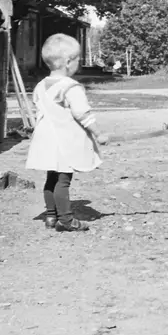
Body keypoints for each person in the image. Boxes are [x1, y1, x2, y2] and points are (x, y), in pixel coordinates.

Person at [24, 33, 110, 231]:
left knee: (51, 178)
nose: (79, 63)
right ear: (68, 62)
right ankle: (66, 220)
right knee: (63, 180)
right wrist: (98, 134)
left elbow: (39, 110)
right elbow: (82, 114)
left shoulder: (40, 86)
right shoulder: (70, 87)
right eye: (78, 59)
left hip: (46, 139)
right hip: (63, 140)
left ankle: (51, 216)